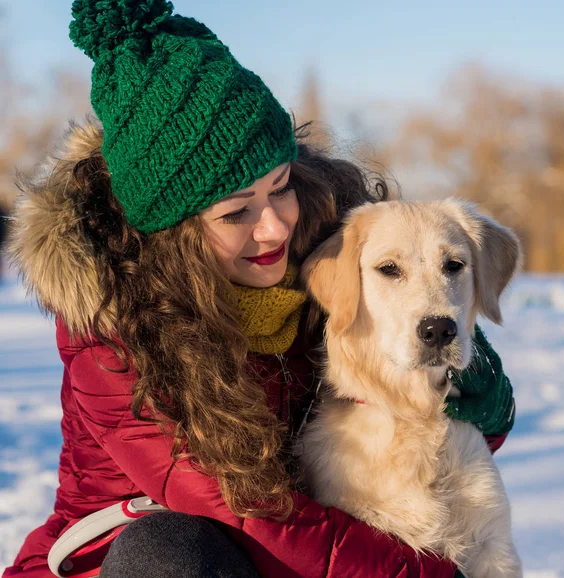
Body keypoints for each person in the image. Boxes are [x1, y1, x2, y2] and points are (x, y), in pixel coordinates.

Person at [4, 1, 515, 576]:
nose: (274, 226)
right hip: (136, 554)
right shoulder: (115, 335)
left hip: (296, 553)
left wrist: (486, 395)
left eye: (280, 187)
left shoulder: (332, 251)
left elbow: (433, 418)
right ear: (174, 235)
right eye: (235, 213)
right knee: (169, 551)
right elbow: (248, 510)